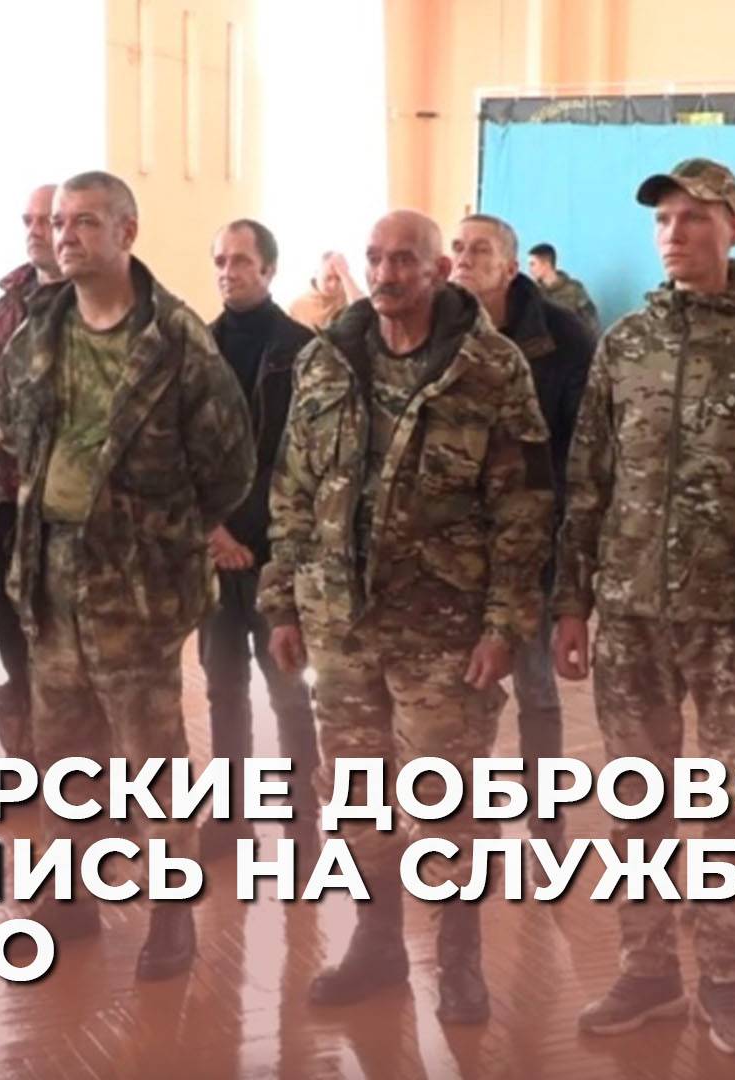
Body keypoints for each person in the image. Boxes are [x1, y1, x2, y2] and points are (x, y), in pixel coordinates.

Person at [551, 159, 735, 1055]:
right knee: (634, 799)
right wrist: (571, 602)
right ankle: (647, 972)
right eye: (663, 221)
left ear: (733, 228)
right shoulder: (627, 343)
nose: (674, 234)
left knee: (731, 807)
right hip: (630, 614)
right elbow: (588, 476)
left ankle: (724, 980)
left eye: (692, 218)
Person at [260, 209, 553, 1025]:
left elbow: (525, 506)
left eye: (403, 260)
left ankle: (458, 958)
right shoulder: (325, 361)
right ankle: (378, 942)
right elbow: (292, 487)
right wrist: (281, 598)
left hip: (444, 629)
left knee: (446, 798)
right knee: (358, 795)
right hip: (340, 624)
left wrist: (503, 623)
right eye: (375, 259)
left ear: (438, 270)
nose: (385, 274)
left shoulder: (490, 369)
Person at [0, 171, 255, 980]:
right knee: (63, 747)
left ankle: (172, 913)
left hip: (137, 585)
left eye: (84, 222)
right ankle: (70, 895)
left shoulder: (176, 339)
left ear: (126, 231)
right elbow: (12, 427)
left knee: (153, 758)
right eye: (59, 223)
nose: (65, 235)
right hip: (51, 572)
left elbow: (230, 464)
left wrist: (159, 529)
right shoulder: (39, 328)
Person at [450, 211, 594, 859]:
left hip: (533, 543)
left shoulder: (563, 337)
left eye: (478, 250)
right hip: (453, 553)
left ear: (510, 267)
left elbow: (581, 450)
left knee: (536, 690)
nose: (462, 259)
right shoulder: (435, 328)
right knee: (458, 694)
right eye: (456, 248)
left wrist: (544, 522)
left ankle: (546, 823)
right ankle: (461, 825)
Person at [200, 218, 319, 859]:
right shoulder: (198, 347)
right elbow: (181, 451)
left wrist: (271, 538)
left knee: (289, 693)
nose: (229, 272)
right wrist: (213, 531)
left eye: (241, 261)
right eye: (221, 261)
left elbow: (311, 461)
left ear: (269, 269)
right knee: (223, 691)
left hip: (280, 556)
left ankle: (302, 825)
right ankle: (230, 820)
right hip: (215, 555)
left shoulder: (303, 351)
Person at [0, 182, 60, 762]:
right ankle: (28, 761)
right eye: (27, 220)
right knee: (13, 637)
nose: (35, 230)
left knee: (71, 647)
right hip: (11, 500)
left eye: (45, 220)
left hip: (71, 510)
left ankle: (88, 775)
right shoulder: (9, 302)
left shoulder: (108, 301)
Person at [525, 242, 601, 334]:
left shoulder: (574, 290)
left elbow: (592, 322)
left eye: (532, 264)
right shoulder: (534, 293)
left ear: (546, 264)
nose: (530, 270)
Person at [287, 249, 363, 330]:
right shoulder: (297, 307)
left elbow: (364, 310)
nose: (333, 285)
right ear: (316, 273)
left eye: (338, 278)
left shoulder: (349, 297)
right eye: (328, 278)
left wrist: (345, 274)